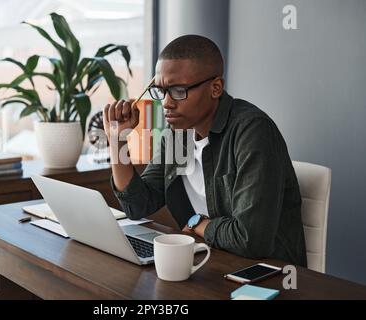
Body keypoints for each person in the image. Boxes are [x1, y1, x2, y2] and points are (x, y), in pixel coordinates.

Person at [103, 34, 306, 266]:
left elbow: (251, 239)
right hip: (210, 259)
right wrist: (117, 139)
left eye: (179, 90)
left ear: (216, 88)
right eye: (161, 91)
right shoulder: (179, 137)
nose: (167, 103)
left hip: (266, 273)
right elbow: (138, 205)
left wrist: (196, 222)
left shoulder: (251, 132)